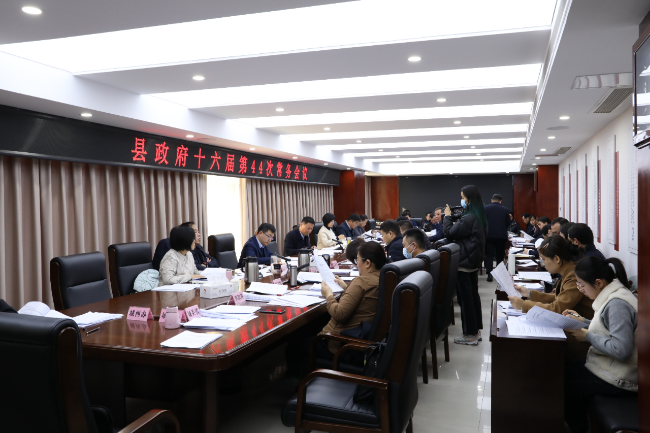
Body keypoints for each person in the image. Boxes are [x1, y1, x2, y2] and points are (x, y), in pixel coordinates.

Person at [561, 257, 637, 433]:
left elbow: (621, 349)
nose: (580, 289)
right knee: (560, 371)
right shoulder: (614, 294)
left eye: (581, 285)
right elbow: (607, 328)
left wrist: (588, 336)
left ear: (598, 283)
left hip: (620, 377)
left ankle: (580, 428)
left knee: (560, 383)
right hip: (607, 367)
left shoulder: (617, 304)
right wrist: (583, 321)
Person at [319, 241, 387, 355]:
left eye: (357, 260)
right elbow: (365, 300)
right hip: (365, 343)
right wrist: (347, 288)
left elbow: (339, 314)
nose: (357, 264)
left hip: (341, 345)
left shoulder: (361, 282)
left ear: (367, 263)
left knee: (295, 345)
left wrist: (328, 295)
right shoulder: (385, 277)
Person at [443, 185, 487, 346]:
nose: (461, 200)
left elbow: (449, 233)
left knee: (465, 299)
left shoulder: (469, 217)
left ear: (469, 199)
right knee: (473, 297)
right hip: (472, 260)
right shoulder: (478, 214)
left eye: (462, 197)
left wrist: (447, 217)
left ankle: (470, 334)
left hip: (464, 262)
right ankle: (476, 330)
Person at [509, 235, 594, 318]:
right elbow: (559, 298)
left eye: (544, 259)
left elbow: (556, 309)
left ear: (557, 259)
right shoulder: (569, 272)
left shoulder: (574, 277)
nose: (542, 264)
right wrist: (529, 293)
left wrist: (524, 305)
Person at [484, 193, 510, 282]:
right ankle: (499, 274)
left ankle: (489, 274)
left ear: (492, 200)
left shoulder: (486, 208)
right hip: (501, 236)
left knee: (489, 255)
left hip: (489, 236)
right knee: (500, 255)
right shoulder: (505, 210)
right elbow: (508, 223)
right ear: (500, 201)